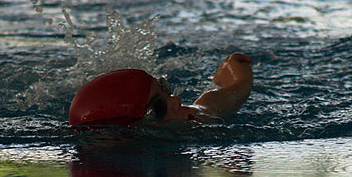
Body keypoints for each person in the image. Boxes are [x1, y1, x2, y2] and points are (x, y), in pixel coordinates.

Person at [69, 52, 253, 125]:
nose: (177, 101)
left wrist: (240, 81)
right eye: (159, 107)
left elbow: (208, 108)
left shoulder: (187, 121)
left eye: (165, 89)